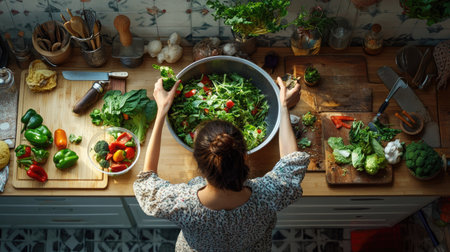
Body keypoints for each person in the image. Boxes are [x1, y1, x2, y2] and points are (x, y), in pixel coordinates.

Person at [133, 77, 309, 251]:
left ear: (200, 165)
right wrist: (284, 106)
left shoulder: (181, 203)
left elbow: (147, 182)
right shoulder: (268, 195)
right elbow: (291, 162)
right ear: (245, 157)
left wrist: (162, 110)